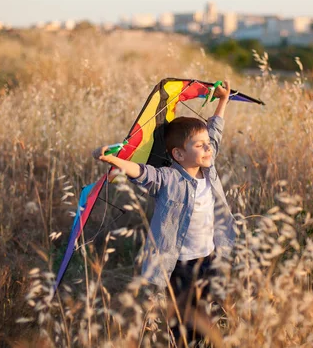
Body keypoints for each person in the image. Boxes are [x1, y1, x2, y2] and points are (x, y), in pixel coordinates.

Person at [94, 81, 235, 345]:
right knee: (180, 319)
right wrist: (113, 160)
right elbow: (141, 172)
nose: (208, 149)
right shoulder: (168, 179)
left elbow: (215, 133)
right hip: (177, 263)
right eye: (200, 145)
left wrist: (223, 102)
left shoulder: (209, 167)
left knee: (205, 313)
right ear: (179, 154)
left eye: (207, 145)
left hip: (208, 257)